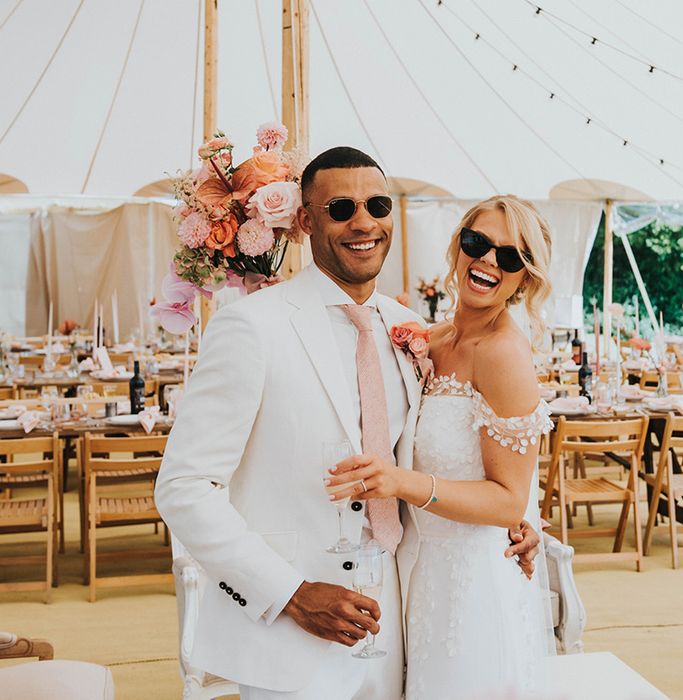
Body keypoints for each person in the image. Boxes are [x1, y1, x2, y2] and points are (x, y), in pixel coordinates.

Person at [154, 148, 539, 700]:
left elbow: (458, 452)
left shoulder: (409, 329)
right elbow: (183, 487)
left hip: (406, 623)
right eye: (340, 208)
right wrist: (292, 594)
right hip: (288, 640)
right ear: (306, 220)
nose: (363, 221)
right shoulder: (250, 327)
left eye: (377, 205)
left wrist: (516, 520)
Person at [326, 194, 556, 698]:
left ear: (525, 277)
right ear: (458, 247)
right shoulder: (430, 338)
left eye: (510, 256)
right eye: (478, 243)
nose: (490, 260)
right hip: (415, 567)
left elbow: (508, 500)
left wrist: (400, 482)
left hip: (471, 585)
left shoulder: (504, 356)